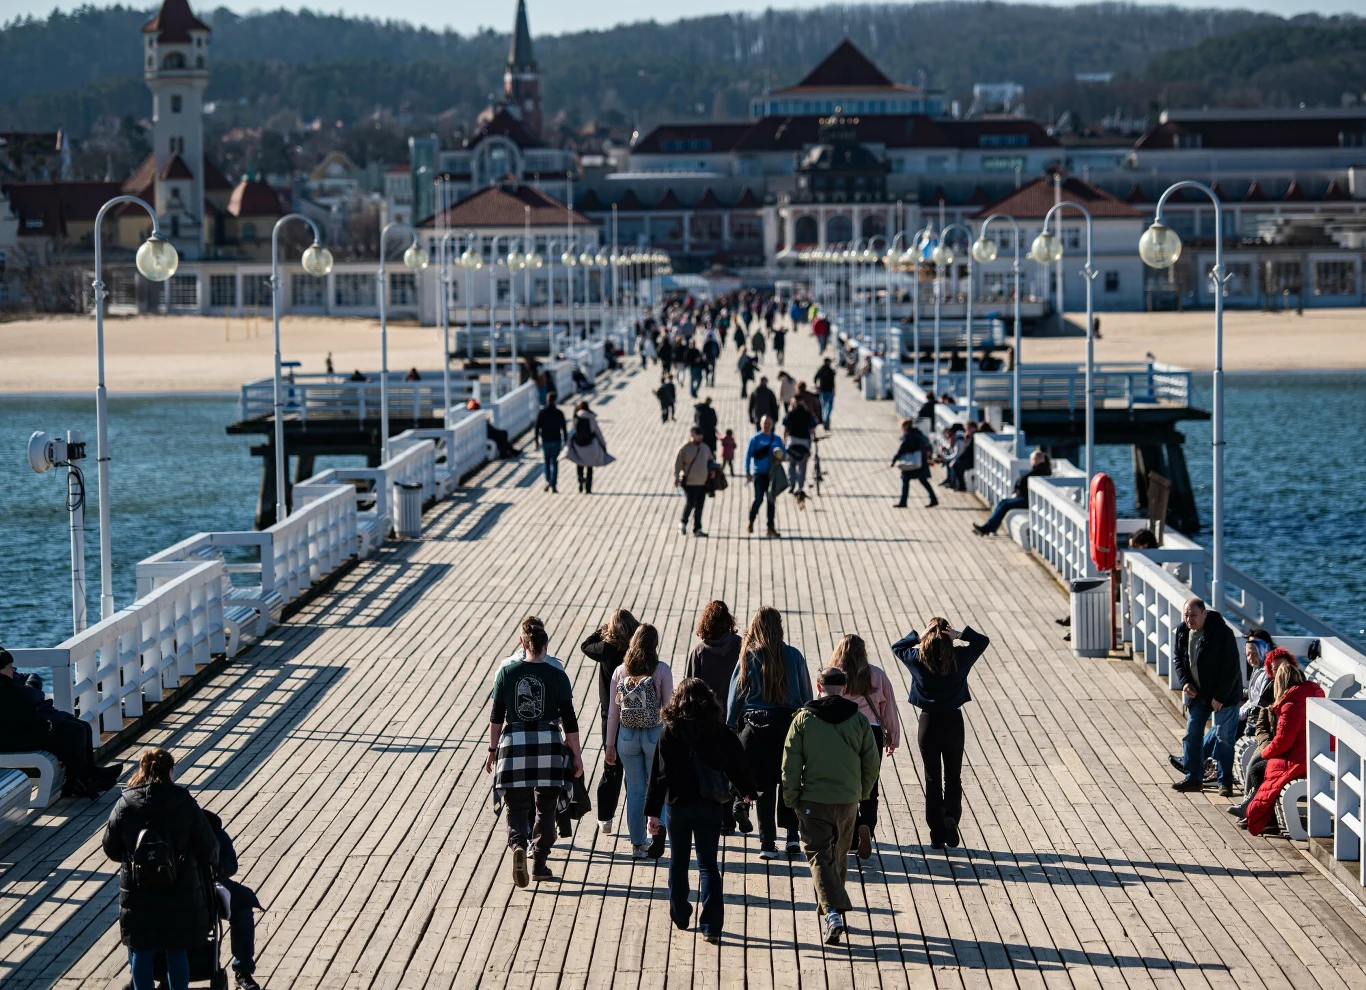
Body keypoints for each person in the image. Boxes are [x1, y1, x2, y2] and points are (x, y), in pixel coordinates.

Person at [646, 678, 758, 943]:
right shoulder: (718, 731)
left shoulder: (669, 733)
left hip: (677, 805)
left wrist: (652, 813)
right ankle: (711, 926)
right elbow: (737, 763)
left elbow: (659, 776)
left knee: (679, 861)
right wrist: (747, 790)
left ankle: (680, 913)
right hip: (709, 805)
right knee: (708, 865)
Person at [102, 748, 218, 990]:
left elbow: (111, 848)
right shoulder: (184, 801)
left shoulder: (125, 803)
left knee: (142, 952)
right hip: (180, 889)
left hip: (138, 891)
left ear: (142, 769)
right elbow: (207, 845)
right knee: (176, 952)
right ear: (171, 771)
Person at [782, 667, 879, 945]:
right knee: (837, 857)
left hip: (812, 800)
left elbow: (790, 763)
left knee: (817, 855)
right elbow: (871, 762)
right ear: (845, 687)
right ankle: (830, 911)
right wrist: (860, 792)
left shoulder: (802, 720)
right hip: (848, 799)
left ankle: (832, 913)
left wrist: (791, 797)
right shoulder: (859, 720)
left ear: (818, 685)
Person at [486, 616, 584, 885]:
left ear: (522, 643)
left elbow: (496, 717)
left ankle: (518, 844)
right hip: (549, 745)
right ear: (546, 644)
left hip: (514, 743)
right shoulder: (557, 675)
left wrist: (493, 750)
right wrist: (576, 755)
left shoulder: (507, 672)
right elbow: (570, 720)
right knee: (546, 809)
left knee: (517, 806)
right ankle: (539, 862)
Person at [892, 619, 991, 849]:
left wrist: (919, 637)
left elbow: (897, 647)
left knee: (932, 777)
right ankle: (950, 816)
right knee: (953, 775)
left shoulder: (918, 659)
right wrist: (959, 634)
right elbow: (982, 642)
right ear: (948, 635)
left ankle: (936, 833)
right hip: (953, 722)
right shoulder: (959, 657)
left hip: (928, 722)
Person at [726, 606, 813, 859]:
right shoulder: (794, 656)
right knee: (790, 781)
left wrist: (731, 727)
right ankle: (793, 837)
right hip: (789, 727)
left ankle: (766, 844)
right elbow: (806, 695)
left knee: (763, 788)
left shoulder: (749, 657)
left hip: (757, 729)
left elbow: (736, 696)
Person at [0, 647, 119, 797]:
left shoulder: (11, 679)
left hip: (27, 727)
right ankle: (80, 780)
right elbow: (33, 696)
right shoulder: (4, 687)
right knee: (74, 731)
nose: (14, 671)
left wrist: (30, 686)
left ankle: (88, 775)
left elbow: (31, 677)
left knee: (83, 726)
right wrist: (31, 689)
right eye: (10, 668)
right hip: (15, 738)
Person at [825, 635, 899, 858]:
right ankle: (866, 824)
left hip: (842, 732)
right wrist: (892, 738)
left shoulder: (833, 675)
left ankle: (852, 837)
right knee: (870, 785)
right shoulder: (877, 674)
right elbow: (890, 709)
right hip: (872, 732)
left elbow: (823, 703)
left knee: (844, 784)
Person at [605, 624, 674, 858]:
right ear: (654, 645)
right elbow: (668, 710)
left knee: (634, 790)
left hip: (626, 736)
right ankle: (657, 835)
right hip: (654, 736)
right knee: (657, 787)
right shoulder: (661, 670)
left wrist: (609, 745)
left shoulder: (620, 671)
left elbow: (613, 713)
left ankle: (637, 844)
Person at [1170, 598, 1243, 798]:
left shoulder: (1222, 633)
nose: (1189, 619)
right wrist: (1185, 682)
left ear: (1204, 614)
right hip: (1198, 693)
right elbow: (1178, 659)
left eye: (1193, 615)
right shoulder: (1182, 632)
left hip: (1224, 694)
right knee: (1192, 735)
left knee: (1224, 739)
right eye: (1186, 615)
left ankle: (1225, 782)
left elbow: (1232, 669)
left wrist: (1220, 696)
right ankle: (1193, 777)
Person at [1243, 661, 1323, 835]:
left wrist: (1265, 752)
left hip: (1299, 760)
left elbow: (1283, 742)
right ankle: (1254, 810)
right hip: (1312, 756)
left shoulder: (1291, 705)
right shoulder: (1311, 695)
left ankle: (1265, 818)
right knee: (1262, 767)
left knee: (1258, 768)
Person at [580, 609, 639, 836]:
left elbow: (585, 645)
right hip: (638, 715)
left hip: (611, 716)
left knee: (611, 768)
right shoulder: (638, 649)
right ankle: (640, 820)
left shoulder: (606, 648)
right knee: (636, 770)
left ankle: (605, 818)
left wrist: (604, 630)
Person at [203, 810, 264, 990]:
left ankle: (243, 970)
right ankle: (243, 970)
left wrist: (216, 869)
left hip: (204, 884)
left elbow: (230, 863)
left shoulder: (203, 821)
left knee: (242, 902)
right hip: (179, 890)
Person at [973, 449, 1050, 535]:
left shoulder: (1041, 471)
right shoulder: (1041, 469)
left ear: (1035, 460)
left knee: (1005, 504)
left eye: (1031, 459)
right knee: (1003, 502)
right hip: (1028, 498)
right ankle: (989, 527)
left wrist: (1018, 493)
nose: (1030, 461)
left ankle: (988, 528)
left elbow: (1023, 482)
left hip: (1031, 502)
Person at [745, 416, 787, 538]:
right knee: (758, 499)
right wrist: (747, 472)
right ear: (760, 424)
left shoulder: (777, 439)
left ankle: (770, 527)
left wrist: (780, 455)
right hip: (759, 474)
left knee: (771, 500)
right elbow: (748, 456)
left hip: (772, 474)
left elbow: (785, 454)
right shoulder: (755, 439)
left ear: (772, 424)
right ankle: (751, 520)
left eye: (769, 423)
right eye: (765, 423)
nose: (767, 425)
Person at [565, 400, 613, 494]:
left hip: (578, 444)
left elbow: (573, 432)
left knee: (579, 463)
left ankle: (580, 480)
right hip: (591, 444)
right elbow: (598, 433)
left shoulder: (576, 417)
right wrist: (603, 445)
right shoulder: (591, 418)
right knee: (589, 465)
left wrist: (567, 444)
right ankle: (588, 487)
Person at [675, 426, 712, 538]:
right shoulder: (685, 449)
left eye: (701, 435)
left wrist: (713, 471)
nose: (700, 438)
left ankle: (697, 528)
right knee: (690, 503)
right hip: (689, 482)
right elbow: (677, 464)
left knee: (700, 506)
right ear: (692, 435)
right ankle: (683, 523)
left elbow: (711, 460)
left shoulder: (705, 448)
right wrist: (676, 478)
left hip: (702, 482)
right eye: (698, 435)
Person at [891, 419, 937, 509]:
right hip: (921, 461)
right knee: (924, 481)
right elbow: (927, 444)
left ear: (905, 426)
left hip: (911, 462)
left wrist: (894, 460)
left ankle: (903, 502)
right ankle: (933, 499)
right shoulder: (917, 433)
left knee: (905, 482)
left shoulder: (908, 435)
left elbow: (902, 448)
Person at [533, 391, 567, 494]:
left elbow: (537, 427)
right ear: (555, 400)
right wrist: (565, 440)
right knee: (555, 463)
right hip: (556, 440)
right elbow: (564, 428)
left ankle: (548, 480)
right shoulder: (559, 413)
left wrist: (536, 440)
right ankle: (553, 483)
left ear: (547, 400)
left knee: (547, 462)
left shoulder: (542, 412)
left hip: (546, 440)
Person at [782, 396, 814, 496]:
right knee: (802, 466)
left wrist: (784, 439)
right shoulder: (808, 414)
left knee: (791, 464)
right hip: (804, 443)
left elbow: (785, 428)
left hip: (792, 442)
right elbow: (812, 429)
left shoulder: (790, 414)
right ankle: (800, 486)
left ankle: (791, 484)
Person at [947, 421, 977, 491]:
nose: (967, 430)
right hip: (969, 459)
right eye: (966, 429)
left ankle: (961, 485)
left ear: (974, 428)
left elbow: (961, 451)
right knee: (955, 463)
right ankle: (954, 483)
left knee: (957, 465)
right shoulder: (967, 436)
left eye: (968, 428)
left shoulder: (976, 436)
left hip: (973, 460)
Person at [813, 358, 837, 429]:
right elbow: (833, 380)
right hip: (828, 391)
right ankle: (826, 420)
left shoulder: (821, 370)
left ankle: (825, 420)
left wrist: (817, 385)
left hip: (823, 390)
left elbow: (815, 378)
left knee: (824, 407)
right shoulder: (830, 370)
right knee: (829, 407)